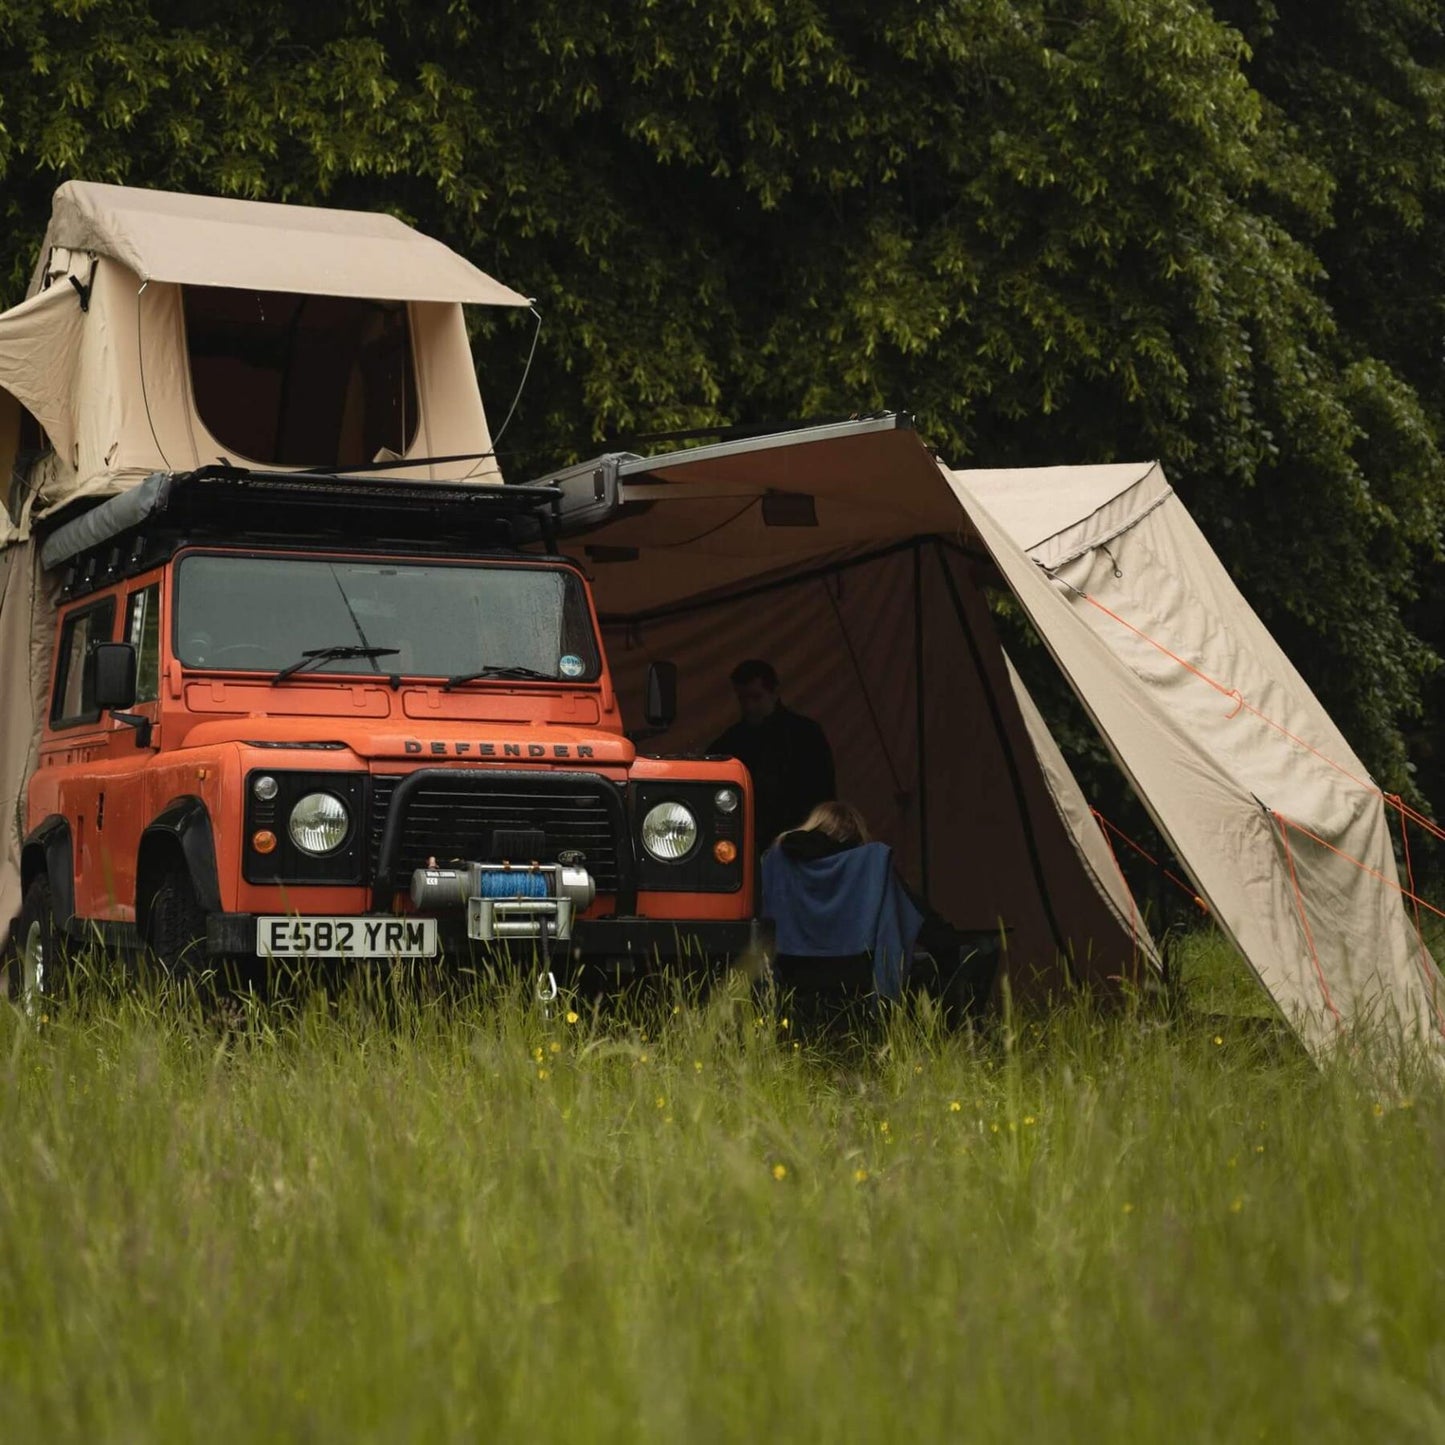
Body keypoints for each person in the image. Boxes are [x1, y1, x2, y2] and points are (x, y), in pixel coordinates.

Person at [764, 802, 1000, 1031]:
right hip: (858, 976)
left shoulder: (777, 860)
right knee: (958, 957)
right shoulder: (871, 863)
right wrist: (953, 941)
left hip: (792, 971)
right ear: (856, 834)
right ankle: (960, 1035)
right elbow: (917, 916)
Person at [708, 659, 835, 852]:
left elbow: (823, 796)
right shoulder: (730, 743)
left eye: (756, 698)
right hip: (753, 847)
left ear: (774, 693)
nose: (749, 707)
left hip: (800, 845)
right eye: (743, 700)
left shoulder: (805, 735)